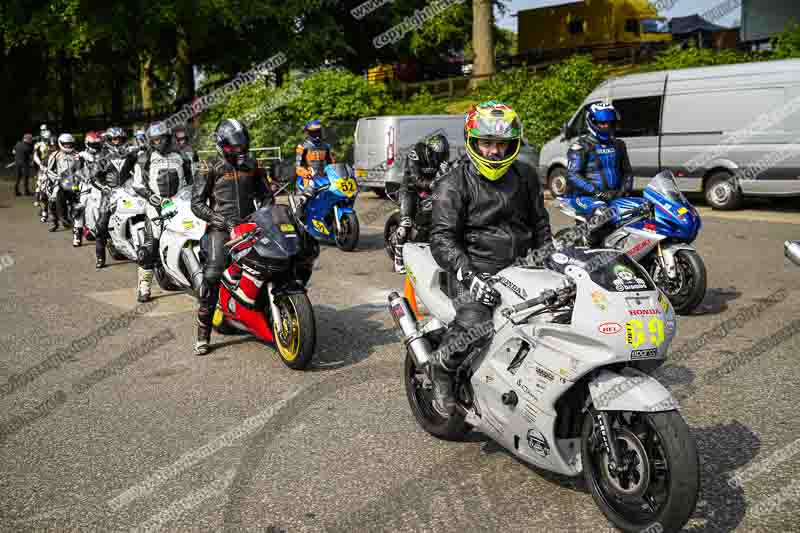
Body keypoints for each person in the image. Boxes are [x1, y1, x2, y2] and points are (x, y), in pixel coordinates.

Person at [428, 101, 553, 416]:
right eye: (487, 143)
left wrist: (549, 257)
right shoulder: (453, 183)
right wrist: (469, 276)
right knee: (478, 325)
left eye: (501, 144)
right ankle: (441, 367)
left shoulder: (525, 175)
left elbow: (540, 223)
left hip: (526, 269)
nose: (494, 151)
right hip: (475, 270)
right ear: (473, 141)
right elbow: (441, 238)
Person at [190, 118, 273, 356]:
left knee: (274, 258)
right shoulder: (208, 166)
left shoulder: (253, 165)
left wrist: (263, 214)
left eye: (242, 147)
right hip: (222, 228)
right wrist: (222, 221)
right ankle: (203, 333)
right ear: (221, 145)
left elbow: (267, 196)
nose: (238, 151)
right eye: (233, 147)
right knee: (213, 272)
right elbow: (196, 203)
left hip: (251, 224)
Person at [131, 122, 192, 302]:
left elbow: (191, 181)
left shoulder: (183, 155)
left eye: (162, 138)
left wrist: (189, 197)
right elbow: (137, 184)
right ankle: (144, 287)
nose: (159, 142)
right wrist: (153, 199)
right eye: (155, 140)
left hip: (180, 203)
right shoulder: (144, 158)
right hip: (155, 206)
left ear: (168, 137)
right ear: (151, 141)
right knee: (149, 248)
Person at [565, 101, 633, 243]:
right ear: (593, 122)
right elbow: (572, 175)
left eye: (609, 123)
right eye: (602, 123)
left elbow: (627, 173)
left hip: (613, 196)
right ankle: (588, 245)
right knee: (603, 214)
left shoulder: (619, 144)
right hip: (585, 197)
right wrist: (597, 192)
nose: (606, 127)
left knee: (642, 210)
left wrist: (622, 191)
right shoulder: (580, 146)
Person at [393, 132, 452, 273]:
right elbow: (414, 177)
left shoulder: (442, 160)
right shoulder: (416, 153)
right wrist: (432, 184)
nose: (441, 158)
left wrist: (447, 173)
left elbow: (450, 178)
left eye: (444, 154)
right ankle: (398, 260)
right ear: (430, 151)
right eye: (439, 155)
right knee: (406, 223)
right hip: (410, 190)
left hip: (430, 190)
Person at [90, 126, 130, 268]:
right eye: (114, 139)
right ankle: (100, 257)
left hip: (129, 191)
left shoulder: (130, 154)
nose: (117, 142)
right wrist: (104, 188)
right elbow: (93, 178)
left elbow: (140, 171)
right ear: (108, 140)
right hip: (109, 193)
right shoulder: (101, 157)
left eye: (120, 139)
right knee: (101, 225)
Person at [294, 119, 335, 219]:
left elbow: (332, 163)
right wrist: (305, 172)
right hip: (308, 177)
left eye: (318, 132)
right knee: (309, 190)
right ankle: (300, 211)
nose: (317, 135)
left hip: (323, 177)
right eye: (313, 132)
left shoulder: (326, 146)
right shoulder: (302, 146)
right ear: (308, 132)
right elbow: (298, 165)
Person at [72, 131, 106, 247]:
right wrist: (77, 184)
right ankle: (77, 234)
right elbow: (76, 170)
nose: (96, 147)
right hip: (86, 184)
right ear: (87, 144)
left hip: (101, 183)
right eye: (94, 145)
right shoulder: (81, 155)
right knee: (80, 207)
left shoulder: (104, 154)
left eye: (98, 144)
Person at [45, 133, 81, 232]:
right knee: (53, 200)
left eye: (70, 144)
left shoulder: (77, 154)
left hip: (74, 182)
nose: (68, 146)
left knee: (79, 201)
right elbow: (49, 170)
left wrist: (79, 178)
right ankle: (54, 222)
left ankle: (79, 223)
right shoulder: (55, 155)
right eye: (65, 144)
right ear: (61, 143)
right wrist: (56, 178)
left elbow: (82, 168)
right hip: (59, 181)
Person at [33, 129, 52, 209]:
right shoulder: (38, 145)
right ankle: (37, 200)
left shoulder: (52, 144)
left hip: (51, 166)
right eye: (45, 138)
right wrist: (40, 164)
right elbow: (35, 156)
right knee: (40, 183)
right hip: (42, 166)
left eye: (48, 138)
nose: (47, 140)